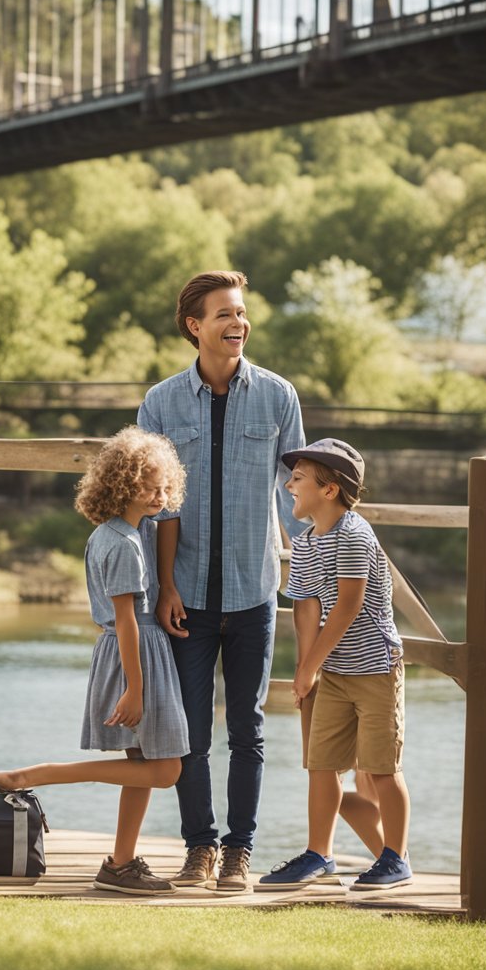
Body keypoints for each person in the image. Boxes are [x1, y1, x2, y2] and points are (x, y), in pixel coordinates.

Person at [137, 270, 306, 893]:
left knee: (249, 730)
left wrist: (317, 578)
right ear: (195, 326)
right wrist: (162, 588)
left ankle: (240, 851)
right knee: (190, 733)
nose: (238, 324)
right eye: (225, 315)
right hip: (184, 595)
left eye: (242, 314)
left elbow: (298, 500)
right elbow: (155, 504)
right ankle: (198, 848)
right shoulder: (160, 403)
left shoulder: (278, 396)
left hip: (255, 589)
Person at [0, 426, 190, 896]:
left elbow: (126, 609)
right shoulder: (123, 545)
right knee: (166, 770)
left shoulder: (116, 533)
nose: (160, 496)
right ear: (122, 486)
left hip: (134, 649)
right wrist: (135, 689)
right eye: (149, 487)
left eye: (165, 487)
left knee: (143, 764)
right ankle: (35, 776)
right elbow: (125, 621)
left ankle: (119, 865)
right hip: (136, 654)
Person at [258, 438, 413, 891]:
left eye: (299, 478)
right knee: (321, 765)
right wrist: (308, 669)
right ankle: (319, 854)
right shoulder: (306, 541)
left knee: (382, 768)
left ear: (329, 491)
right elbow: (306, 606)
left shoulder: (354, 533)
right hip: (336, 672)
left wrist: (309, 670)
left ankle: (395, 859)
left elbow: (348, 605)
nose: (289, 485)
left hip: (376, 670)